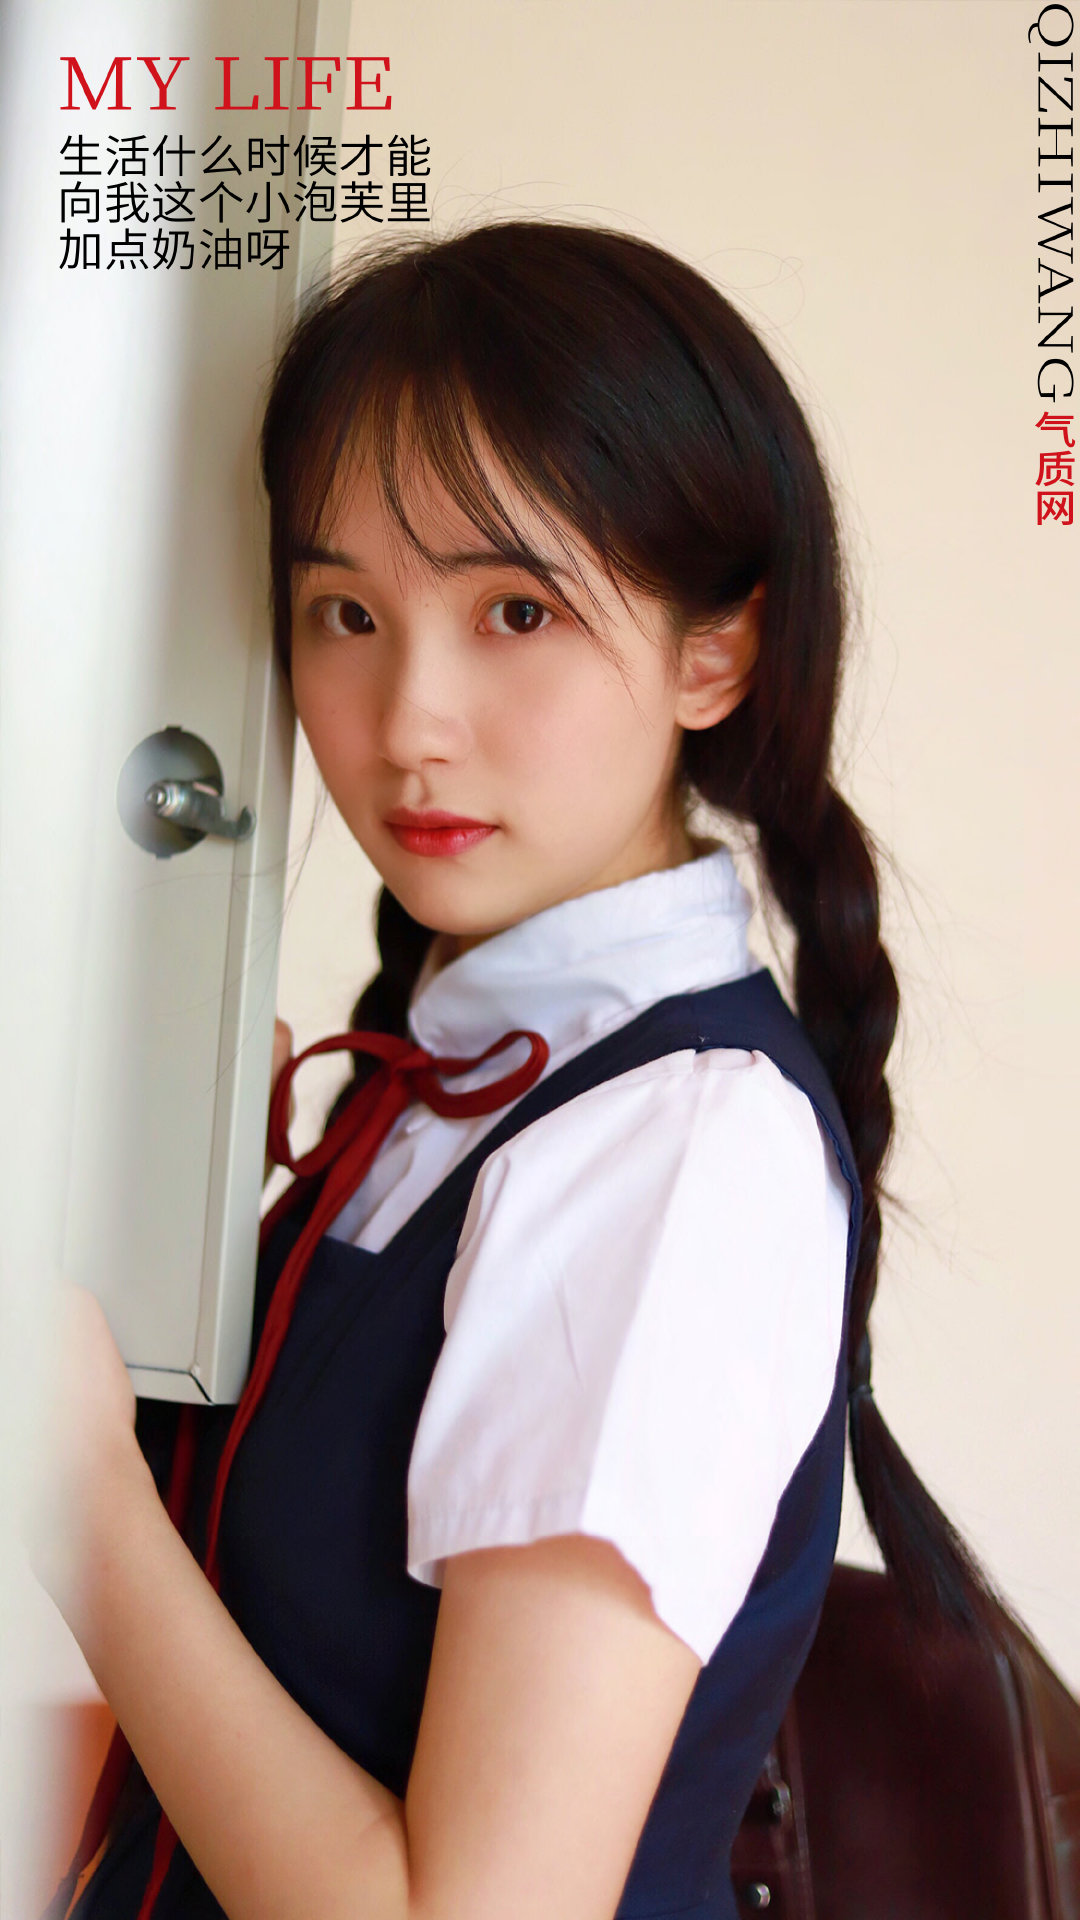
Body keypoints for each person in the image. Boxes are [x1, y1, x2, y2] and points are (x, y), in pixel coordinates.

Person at [30, 219, 996, 1920]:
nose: (408, 720)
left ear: (716, 651)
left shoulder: (675, 1150)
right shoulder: (460, 1076)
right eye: (345, 611)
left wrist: (75, 1495)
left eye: (516, 610)